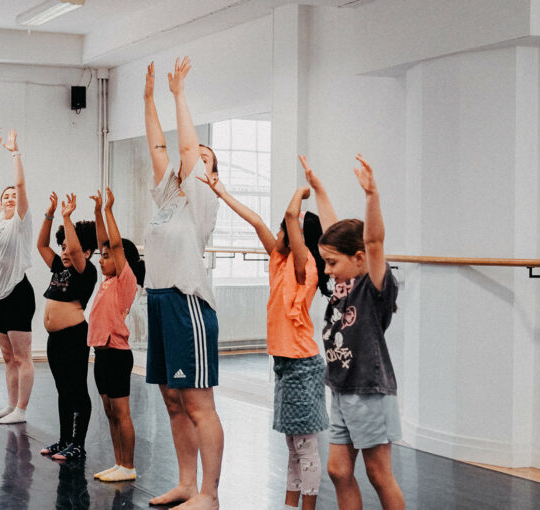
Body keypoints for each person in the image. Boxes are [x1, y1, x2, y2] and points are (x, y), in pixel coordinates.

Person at [200, 170, 330, 510]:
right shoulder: (280, 260)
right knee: (293, 446)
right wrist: (222, 194)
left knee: (305, 448)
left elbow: (289, 216)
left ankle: (307, 507)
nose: (281, 230)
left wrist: (303, 192)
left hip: (302, 364)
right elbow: (257, 221)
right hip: (286, 364)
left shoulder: (306, 267)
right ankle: (289, 505)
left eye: (291, 228)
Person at [302, 154, 405, 510]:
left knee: (378, 474)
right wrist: (319, 189)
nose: (327, 270)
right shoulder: (341, 284)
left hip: (370, 391)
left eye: (332, 263)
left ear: (359, 259)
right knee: (338, 470)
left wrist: (372, 195)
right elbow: (334, 229)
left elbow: (373, 242)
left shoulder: (371, 287)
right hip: (342, 390)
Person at [142, 56, 223, 510]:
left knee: (197, 404)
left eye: (204, 159)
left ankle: (209, 494)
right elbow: (159, 149)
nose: (193, 160)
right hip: (158, 301)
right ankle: (186, 484)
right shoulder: (168, 196)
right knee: (173, 401)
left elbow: (188, 152)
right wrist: (148, 98)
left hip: (186, 303)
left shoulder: (201, 199)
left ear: (210, 174)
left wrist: (178, 95)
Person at [88, 188, 145, 483]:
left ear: (121, 260)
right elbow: (104, 244)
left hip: (117, 354)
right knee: (109, 411)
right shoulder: (107, 280)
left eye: (107, 257)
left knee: (121, 412)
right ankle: (119, 463)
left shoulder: (125, 280)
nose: (101, 259)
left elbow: (116, 246)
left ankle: (129, 465)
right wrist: (97, 212)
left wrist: (109, 210)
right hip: (101, 353)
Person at [37, 192, 98, 461]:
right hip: (56, 339)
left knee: (77, 389)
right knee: (63, 389)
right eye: (61, 246)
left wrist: (66, 216)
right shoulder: (57, 267)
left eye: (69, 247)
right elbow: (41, 244)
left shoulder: (86, 271)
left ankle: (78, 443)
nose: (64, 251)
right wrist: (50, 215)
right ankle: (64, 440)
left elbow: (75, 250)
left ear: (87, 252)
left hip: (74, 336)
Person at [0, 128, 36, 425]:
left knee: (22, 357)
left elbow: (20, 183)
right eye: (7, 196)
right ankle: (11, 404)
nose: (11, 197)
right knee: (7, 358)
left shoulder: (20, 220)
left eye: (14, 196)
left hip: (18, 293)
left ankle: (22, 410)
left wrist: (14, 152)